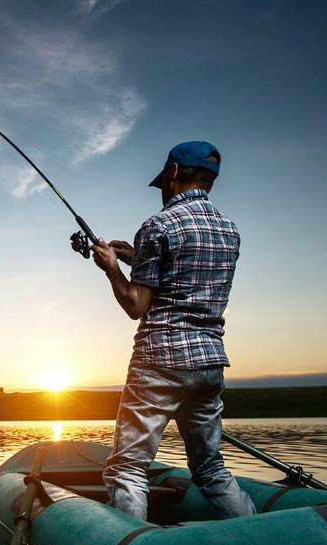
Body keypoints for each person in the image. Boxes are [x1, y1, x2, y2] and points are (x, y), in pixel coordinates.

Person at [89, 140, 255, 521]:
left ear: (174, 173)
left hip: (160, 361)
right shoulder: (230, 231)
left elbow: (136, 305)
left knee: (127, 468)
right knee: (210, 469)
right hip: (209, 362)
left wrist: (112, 268)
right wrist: (138, 257)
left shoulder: (158, 225)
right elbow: (187, 278)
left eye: (164, 178)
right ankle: (258, 535)